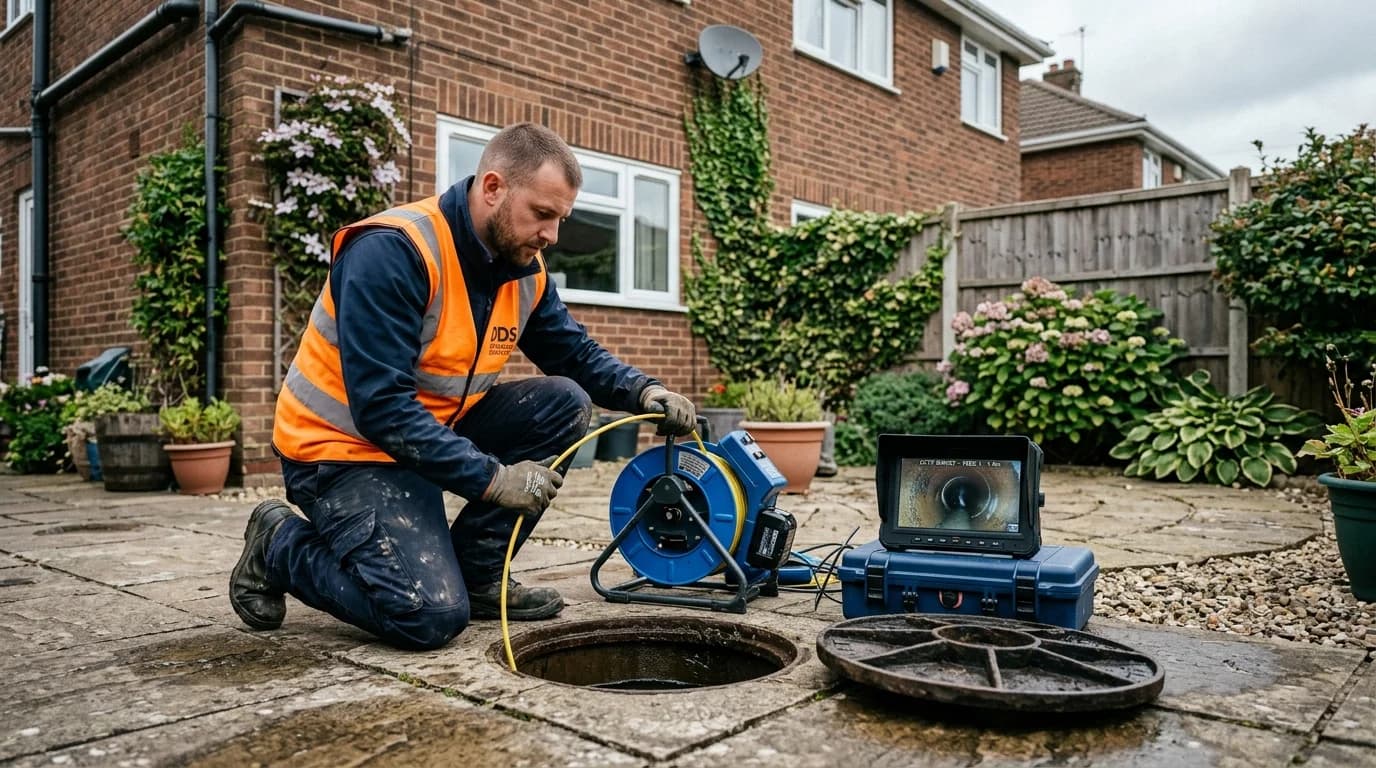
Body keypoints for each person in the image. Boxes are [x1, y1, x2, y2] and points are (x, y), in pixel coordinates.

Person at [229, 122, 696, 651]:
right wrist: (493, 479)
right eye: (542, 214)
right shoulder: (393, 251)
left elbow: (572, 352)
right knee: (427, 616)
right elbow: (381, 409)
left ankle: (480, 576)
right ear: (492, 187)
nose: (552, 236)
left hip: (426, 435)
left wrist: (644, 392)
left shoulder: (523, 266)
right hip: (341, 452)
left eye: (560, 219)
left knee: (563, 404)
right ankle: (278, 542)